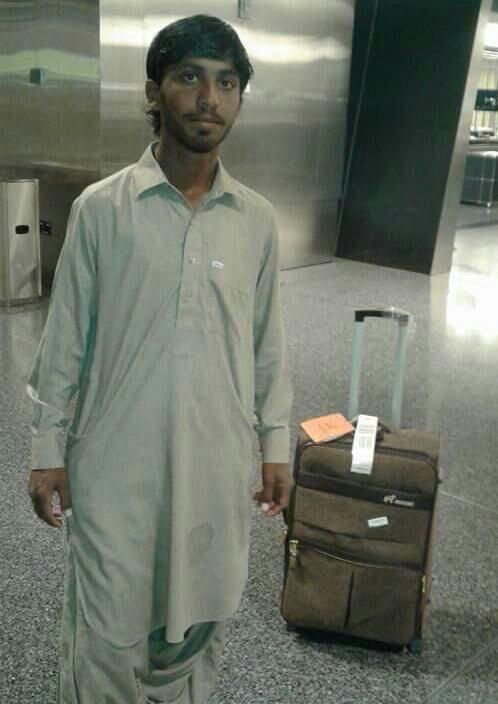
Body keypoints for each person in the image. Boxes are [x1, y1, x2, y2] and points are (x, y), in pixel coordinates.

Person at [26, 14, 293, 703]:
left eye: (227, 83)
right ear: (154, 90)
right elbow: (65, 341)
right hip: (115, 469)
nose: (210, 98)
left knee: (196, 631)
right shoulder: (102, 210)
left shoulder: (257, 220)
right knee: (106, 640)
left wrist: (276, 446)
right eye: (191, 77)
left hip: (215, 468)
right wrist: (47, 447)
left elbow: (266, 342)